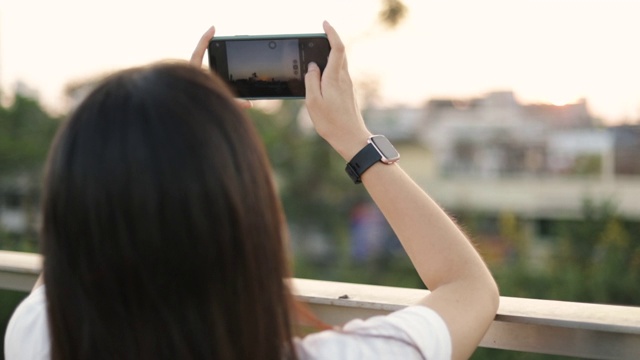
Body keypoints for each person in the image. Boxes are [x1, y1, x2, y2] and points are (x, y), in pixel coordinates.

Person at [4, 21, 498, 359]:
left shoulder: (36, 338)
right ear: (250, 220)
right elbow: (469, 289)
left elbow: (79, 236)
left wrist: (161, 133)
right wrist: (354, 139)